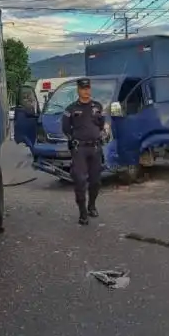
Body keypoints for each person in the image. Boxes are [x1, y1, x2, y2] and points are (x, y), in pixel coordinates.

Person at [61, 77, 105, 225]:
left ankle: (91, 206)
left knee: (96, 181)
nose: (86, 91)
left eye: (88, 88)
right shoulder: (71, 109)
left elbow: (101, 124)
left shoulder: (97, 106)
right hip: (80, 149)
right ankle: (82, 213)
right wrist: (74, 139)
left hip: (95, 148)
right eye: (83, 89)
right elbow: (66, 129)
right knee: (79, 180)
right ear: (78, 90)